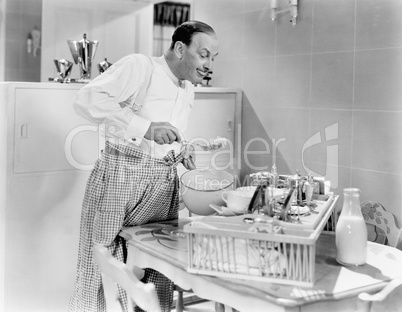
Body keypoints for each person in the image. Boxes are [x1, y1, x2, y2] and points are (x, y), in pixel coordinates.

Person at [68, 20, 219, 312]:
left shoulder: (188, 89)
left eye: (213, 57)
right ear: (179, 48)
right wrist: (145, 127)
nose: (209, 64)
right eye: (204, 54)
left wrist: (181, 149)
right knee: (103, 265)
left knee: (157, 269)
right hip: (120, 179)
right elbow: (86, 99)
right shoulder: (141, 66)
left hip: (163, 185)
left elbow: (168, 132)